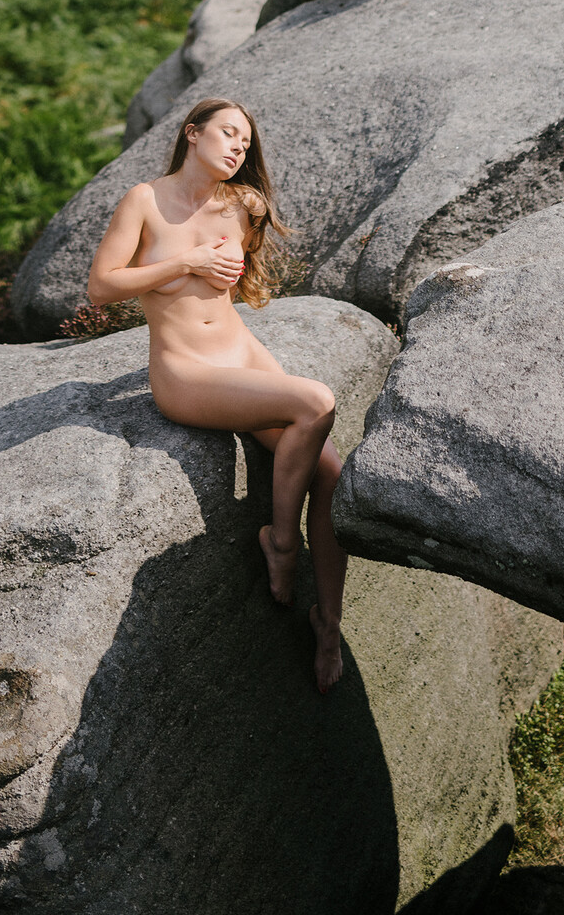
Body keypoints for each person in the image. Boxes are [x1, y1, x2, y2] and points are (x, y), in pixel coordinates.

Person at [88, 97, 347, 692]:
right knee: (315, 402)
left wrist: (226, 267)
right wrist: (188, 260)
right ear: (191, 132)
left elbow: (242, 275)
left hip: (241, 352)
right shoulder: (144, 201)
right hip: (186, 371)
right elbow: (103, 285)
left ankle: (328, 625)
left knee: (331, 472)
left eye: (245, 143)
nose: (237, 147)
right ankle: (282, 542)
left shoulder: (242, 204)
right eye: (228, 133)